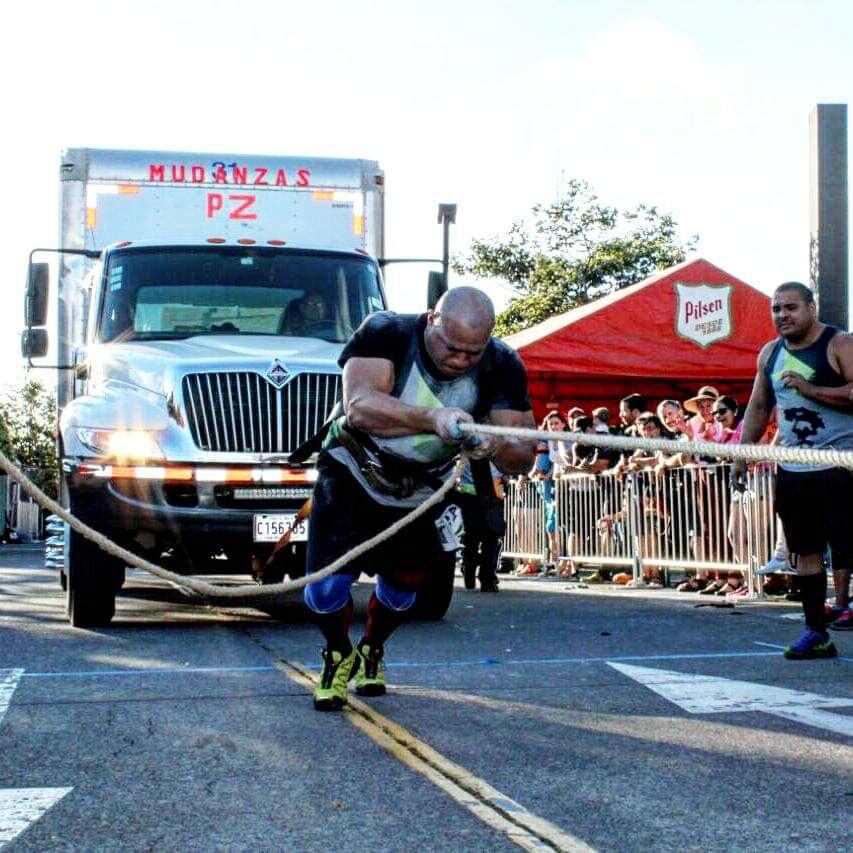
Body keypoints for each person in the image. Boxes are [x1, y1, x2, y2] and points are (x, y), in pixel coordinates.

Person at [303, 286, 535, 709]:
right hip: (354, 471)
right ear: (432, 319)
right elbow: (360, 407)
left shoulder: (502, 362)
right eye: (452, 348)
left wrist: (494, 443)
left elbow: (523, 454)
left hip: (426, 487)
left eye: (472, 352)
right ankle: (338, 652)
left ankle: (372, 648)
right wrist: (434, 418)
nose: (461, 360)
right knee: (323, 588)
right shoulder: (386, 331)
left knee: (403, 589)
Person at [732, 282, 853, 659]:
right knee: (805, 551)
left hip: (841, 462)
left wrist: (811, 390)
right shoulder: (770, 354)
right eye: (776, 309)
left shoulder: (840, 344)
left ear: (812, 308)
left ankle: (844, 605)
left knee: (847, 544)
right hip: (795, 467)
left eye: (791, 308)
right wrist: (742, 454)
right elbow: (757, 407)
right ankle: (816, 632)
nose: (782, 315)